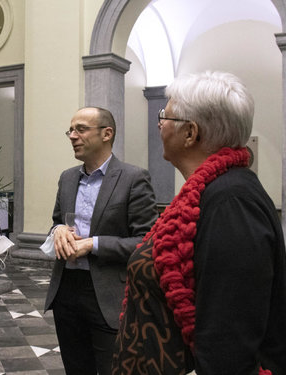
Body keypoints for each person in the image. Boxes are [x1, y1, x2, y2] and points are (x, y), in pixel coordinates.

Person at [112, 71, 286, 375]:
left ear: (191, 133)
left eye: (165, 114)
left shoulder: (231, 201)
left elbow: (229, 339)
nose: (160, 123)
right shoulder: (212, 191)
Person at [44, 106, 158, 375]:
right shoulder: (68, 177)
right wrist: (58, 230)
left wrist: (92, 244)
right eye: (71, 130)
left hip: (108, 295)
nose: (73, 136)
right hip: (66, 291)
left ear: (107, 134)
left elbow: (146, 243)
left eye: (81, 129)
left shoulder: (133, 178)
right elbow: (57, 221)